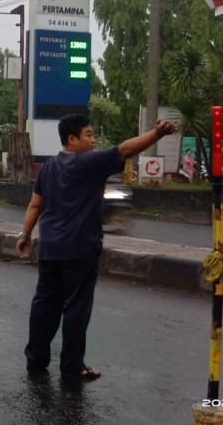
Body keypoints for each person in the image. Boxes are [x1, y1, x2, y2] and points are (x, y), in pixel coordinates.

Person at [16, 114, 178, 381]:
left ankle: (36, 359)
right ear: (72, 139)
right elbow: (125, 149)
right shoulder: (88, 162)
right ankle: (72, 367)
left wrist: (24, 234)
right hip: (80, 249)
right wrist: (157, 134)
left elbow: (35, 204)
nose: (93, 140)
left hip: (49, 249)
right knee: (76, 308)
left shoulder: (48, 167)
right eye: (89, 135)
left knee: (45, 305)